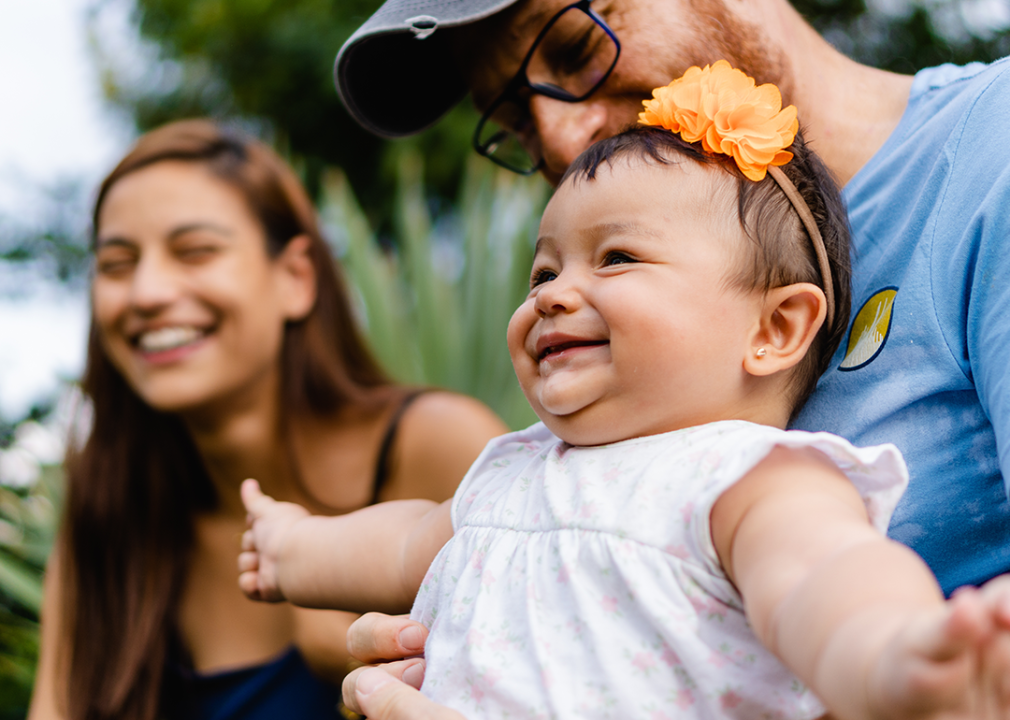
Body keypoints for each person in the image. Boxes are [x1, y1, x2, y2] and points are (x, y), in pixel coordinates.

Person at [239, 71, 1010, 720]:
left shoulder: (748, 477)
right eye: (543, 272)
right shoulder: (517, 469)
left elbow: (824, 579)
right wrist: (293, 548)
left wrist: (897, 660)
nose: (552, 296)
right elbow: (403, 543)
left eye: (616, 258)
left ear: (775, 327)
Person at [26, 119, 507, 720]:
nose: (146, 292)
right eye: (118, 263)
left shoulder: (438, 445)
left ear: (295, 278)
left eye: (195, 251)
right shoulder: (104, 521)